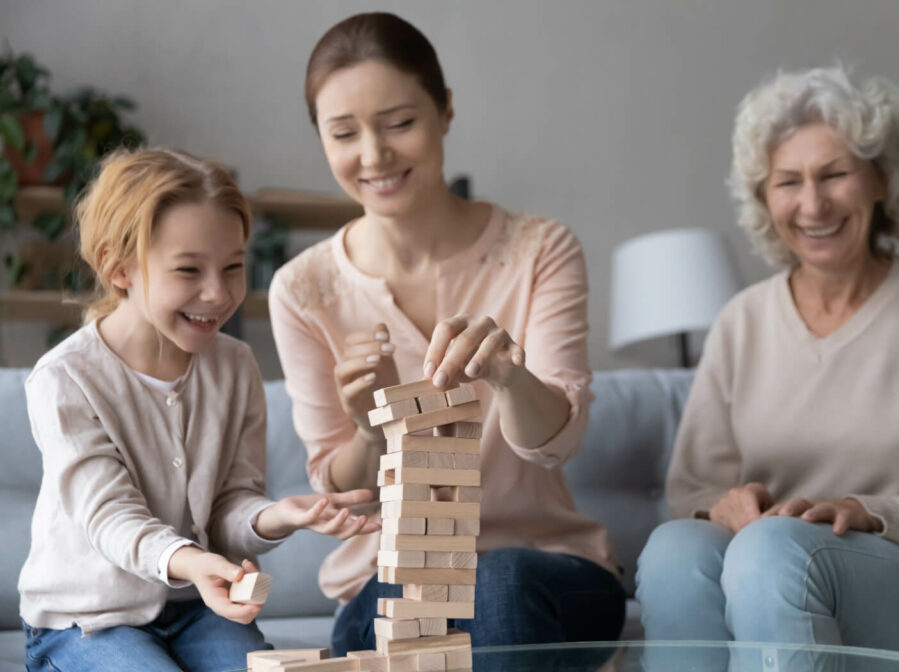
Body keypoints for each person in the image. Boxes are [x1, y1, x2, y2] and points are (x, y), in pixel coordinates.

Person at [636, 65, 899, 666]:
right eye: (788, 181)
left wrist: (874, 515)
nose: (812, 204)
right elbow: (695, 489)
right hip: (775, 573)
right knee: (672, 551)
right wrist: (726, 506)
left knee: (771, 553)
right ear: (765, 198)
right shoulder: (742, 322)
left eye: (835, 174)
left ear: (881, 181)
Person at [269, 12, 625, 655]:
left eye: (400, 123)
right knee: (452, 599)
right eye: (344, 133)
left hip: (546, 568)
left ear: (446, 111)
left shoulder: (541, 249)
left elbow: (557, 441)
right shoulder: (302, 289)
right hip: (385, 584)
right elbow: (339, 493)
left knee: (495, 584)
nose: (373, 156)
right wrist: (369, 429)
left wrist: (510, 377)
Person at [18, 148, 380, 672]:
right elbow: (110, 517)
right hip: (87, 620)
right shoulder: (65, 379)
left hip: (197, 612)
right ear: (118, 267)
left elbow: (231, 500)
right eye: (188, 270)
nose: (218, 293)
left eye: (234, 266)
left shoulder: (235, 366)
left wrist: (276, 516)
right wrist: (193, 562)